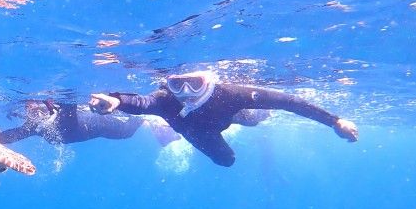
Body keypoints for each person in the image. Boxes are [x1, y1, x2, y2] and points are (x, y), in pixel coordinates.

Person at [89, 70, 358, 167]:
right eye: (176, 84)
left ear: (209, 81)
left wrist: (334, 121)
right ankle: (166, 130)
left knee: (253, 119)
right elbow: (140, 101)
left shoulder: (230, 93)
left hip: (228, 117)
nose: (185, 93)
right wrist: (115, 100)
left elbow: (287, 101)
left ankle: (246, 120)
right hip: (196, 133)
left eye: (194, 84)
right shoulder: (164, 100)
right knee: (226, 161)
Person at [0, 99, 180, 146]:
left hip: (117, 127)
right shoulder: (43, 125)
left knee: (141, 117)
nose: (29, 110)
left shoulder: (43, 124)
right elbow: (14, 135)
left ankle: (158, 125)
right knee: (140, 117)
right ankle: (157, 125)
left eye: (32, 107)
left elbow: (12, 135)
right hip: (120, 129)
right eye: (29, 109)